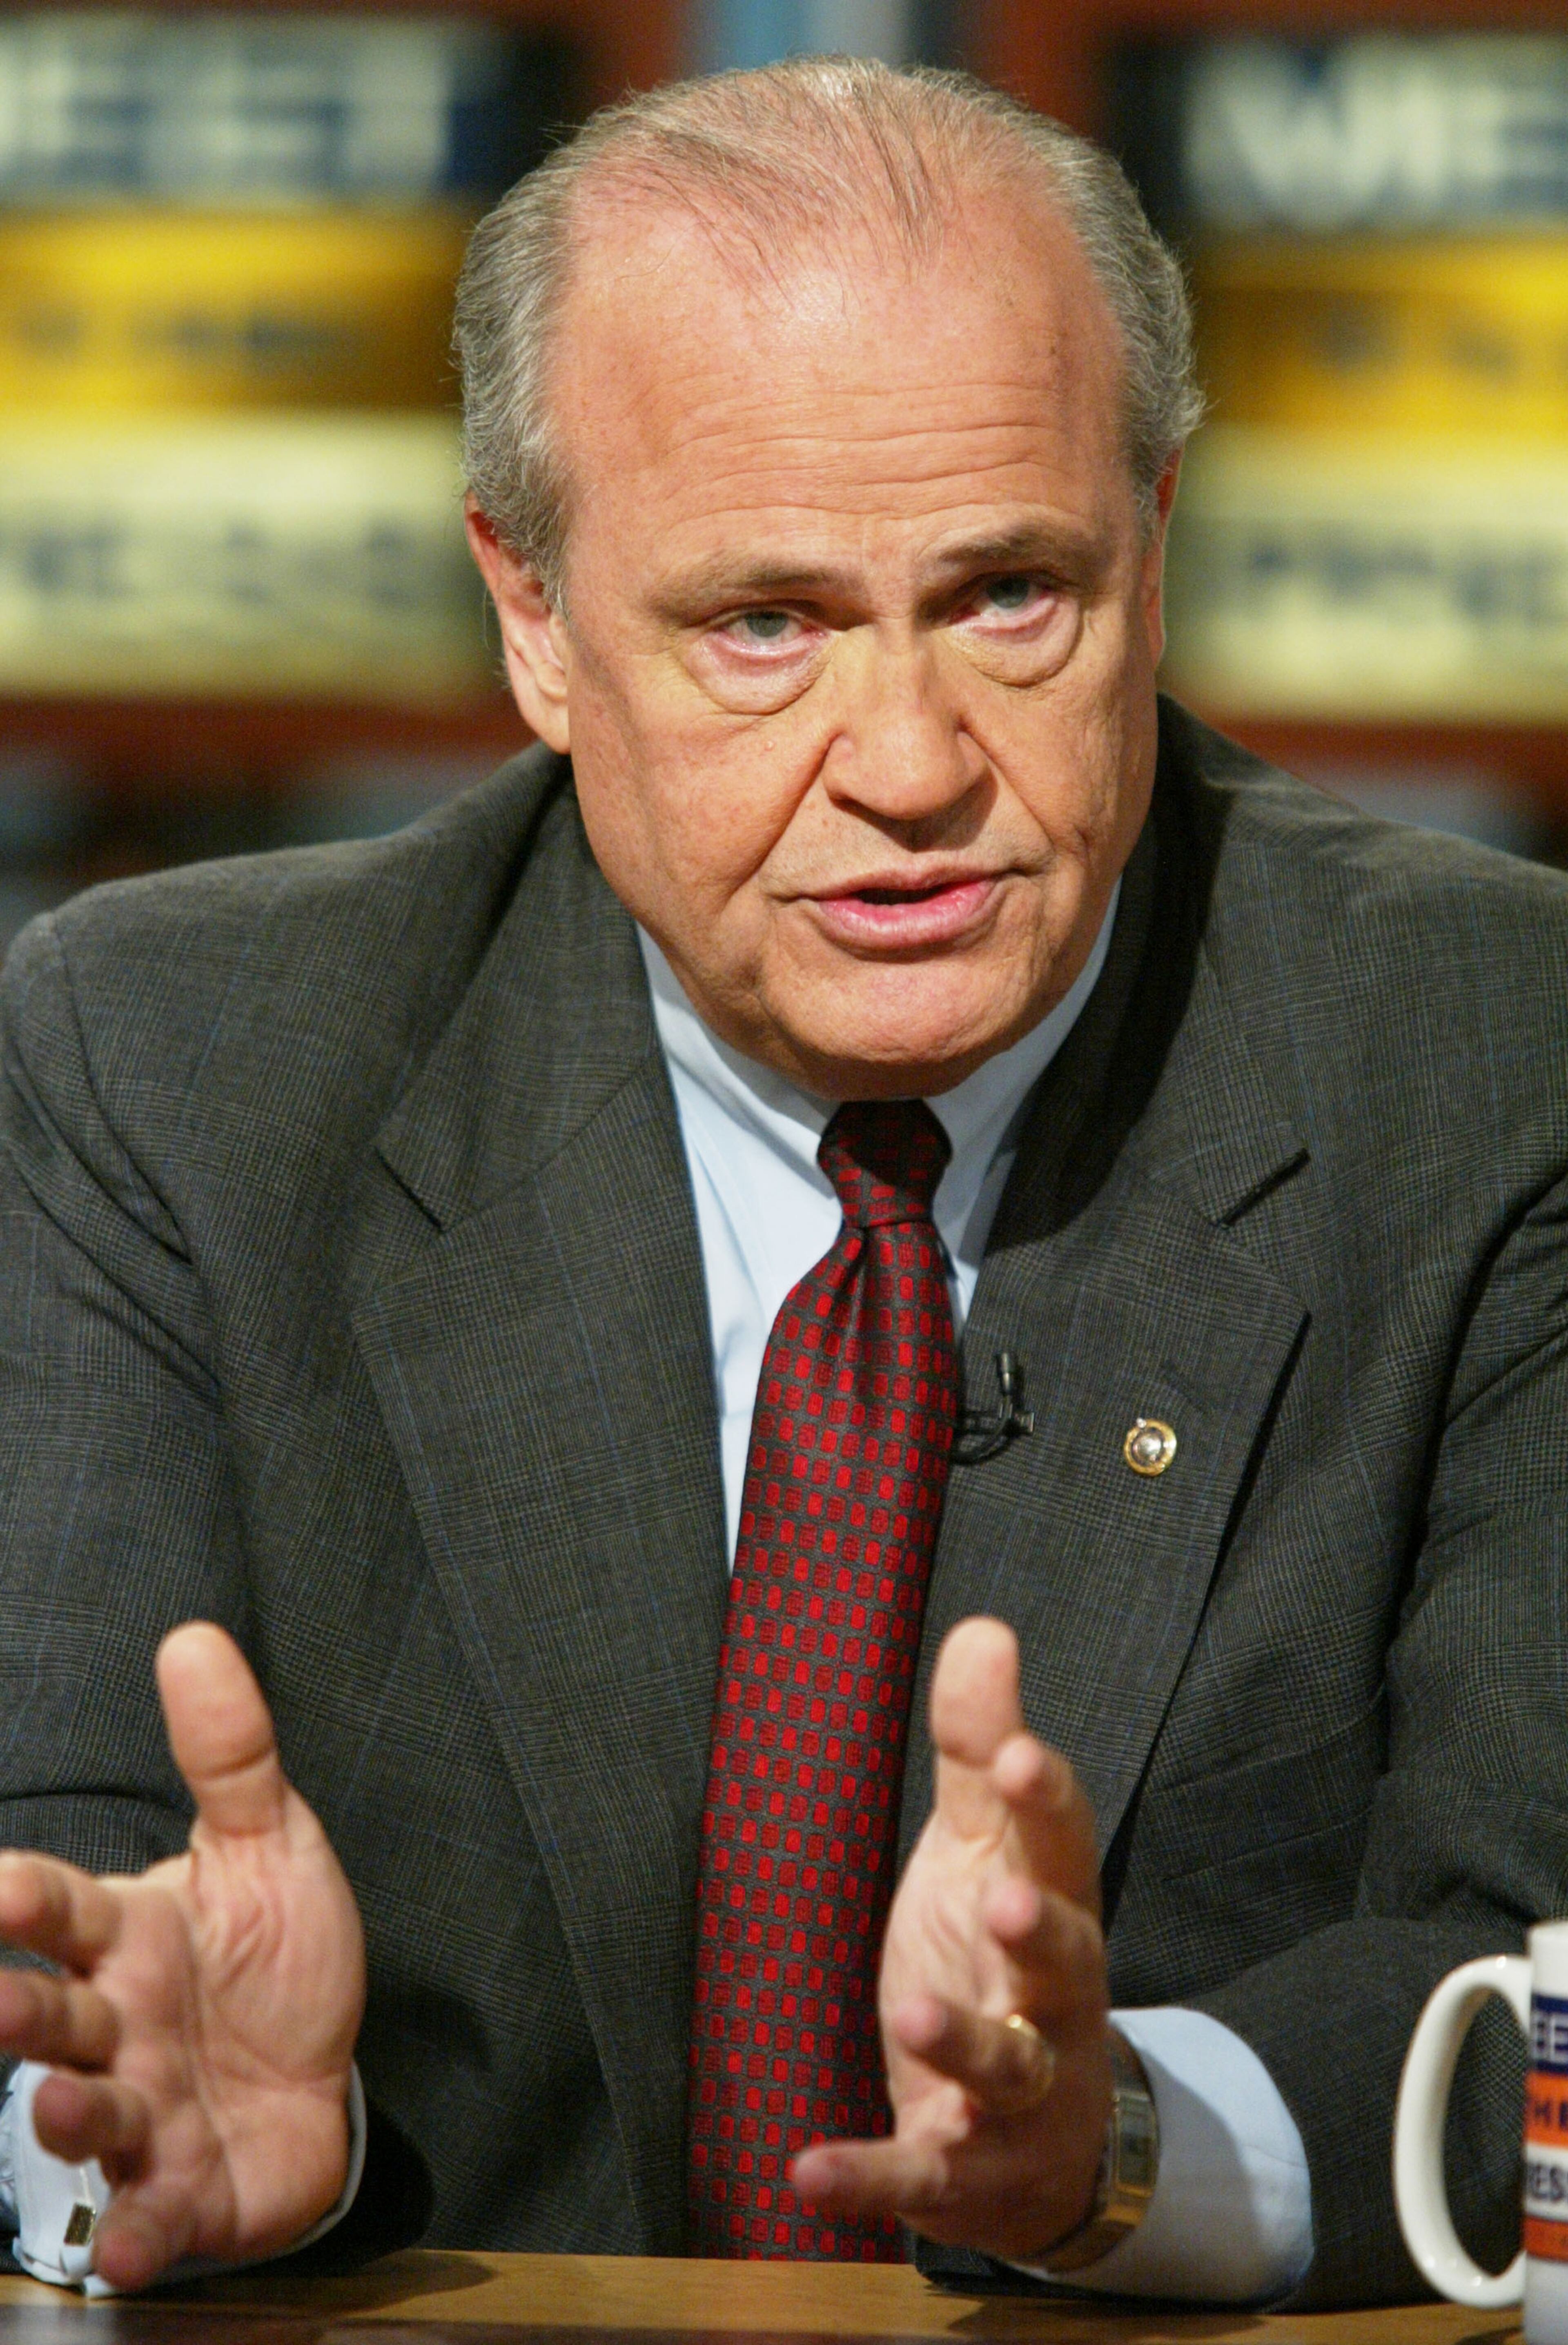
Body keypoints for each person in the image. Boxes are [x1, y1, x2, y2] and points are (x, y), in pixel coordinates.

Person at [0, 55, 1563, 2312]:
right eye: (765, 626)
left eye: (1011, 595)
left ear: (1156, 545)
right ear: (535, 618)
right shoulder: (170, 1075)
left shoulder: (1502, 1061)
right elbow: (65, 1906)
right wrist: (139, 2132)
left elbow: (1539, 1962)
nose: (911, 766)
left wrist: (1119, 2138)